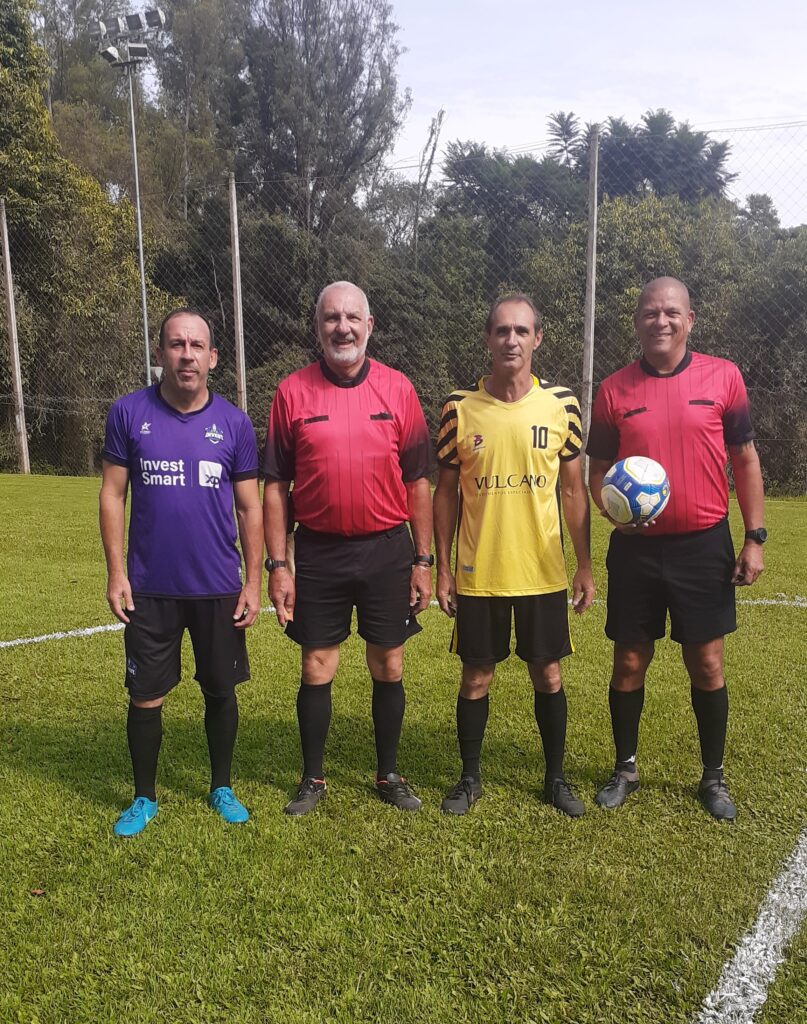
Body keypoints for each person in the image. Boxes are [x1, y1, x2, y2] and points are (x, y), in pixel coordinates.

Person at [586, 277, 766, 821]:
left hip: (704, 546)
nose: (660, 321)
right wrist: (612, 512)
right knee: (629, 660)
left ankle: (713, 777)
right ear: (637, 322)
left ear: (690, 320)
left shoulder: (723, 377)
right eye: (650, 313)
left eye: (671, 312)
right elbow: (598, 470)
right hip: (635, 550)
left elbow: (745, 459)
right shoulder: (613, 390)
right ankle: (625, 769)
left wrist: (754, 537)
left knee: (706, 663)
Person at [263, 281, 433, 816]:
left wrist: (423, 560)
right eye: (332, 318)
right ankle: (313, 777)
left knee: (389, 662)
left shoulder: (398, 389)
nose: (343, 328)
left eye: (352, 318)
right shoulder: (292, 392)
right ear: (318, 328)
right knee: (317, 663)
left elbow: (418, 482)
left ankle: (388, 773)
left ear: (369, 325)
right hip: (319, 552)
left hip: (387, 550)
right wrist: (278, 564)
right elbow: (275, 486)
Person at [100, 309, 263, 837]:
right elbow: (112, 495)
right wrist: (116, 573)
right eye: (176, 344)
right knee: (145, 694)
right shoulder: (128, 413)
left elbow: (250, 507)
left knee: (220, 689)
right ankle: (143, 797)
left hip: (218, 586)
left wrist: (253, 581)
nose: (186, 355)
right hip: (149, 587)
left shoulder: (234, 423)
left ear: (213, 357)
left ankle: (221, 786)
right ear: (160, 353)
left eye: (196, 346)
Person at [433, 294, 595, 817]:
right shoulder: (459, 408)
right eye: (502, 330)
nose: (511, 340)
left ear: (537, 338)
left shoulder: (562, 405)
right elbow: (445, 494)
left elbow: (573, 491)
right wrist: (442, 568)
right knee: (476, 676)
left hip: (542, 572)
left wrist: (585, 565)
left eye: (522, 331)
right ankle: (469, 778)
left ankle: (555, 778)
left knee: (548, 674)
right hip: (480, 572)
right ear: (487, 338)